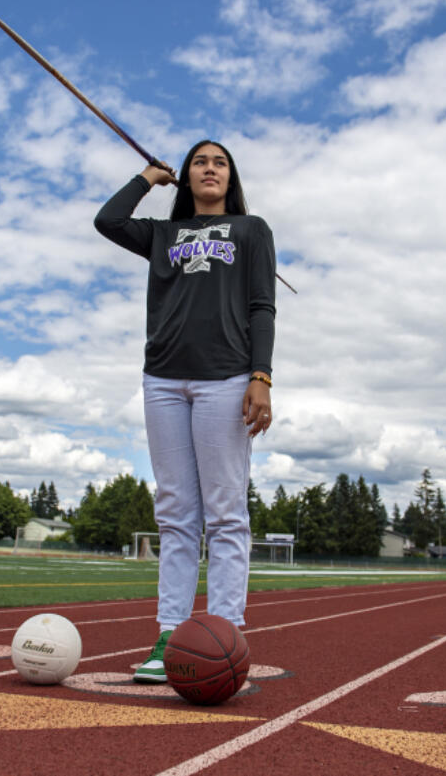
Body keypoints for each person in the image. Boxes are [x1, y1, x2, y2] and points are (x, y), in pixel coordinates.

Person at [94, 139, 277, 683]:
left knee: (225, 514)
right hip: (163, 379)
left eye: (219, 162)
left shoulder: (251, 230)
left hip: (226, 376)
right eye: (199, 161)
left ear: (231, 176)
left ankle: (224, 636)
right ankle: (170, 637)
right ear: (186, 176)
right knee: (175, 513)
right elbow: (108, 220)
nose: (209, 168)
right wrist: (148, 177)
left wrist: (261, 376)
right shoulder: (162, 235)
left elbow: (262, 306)